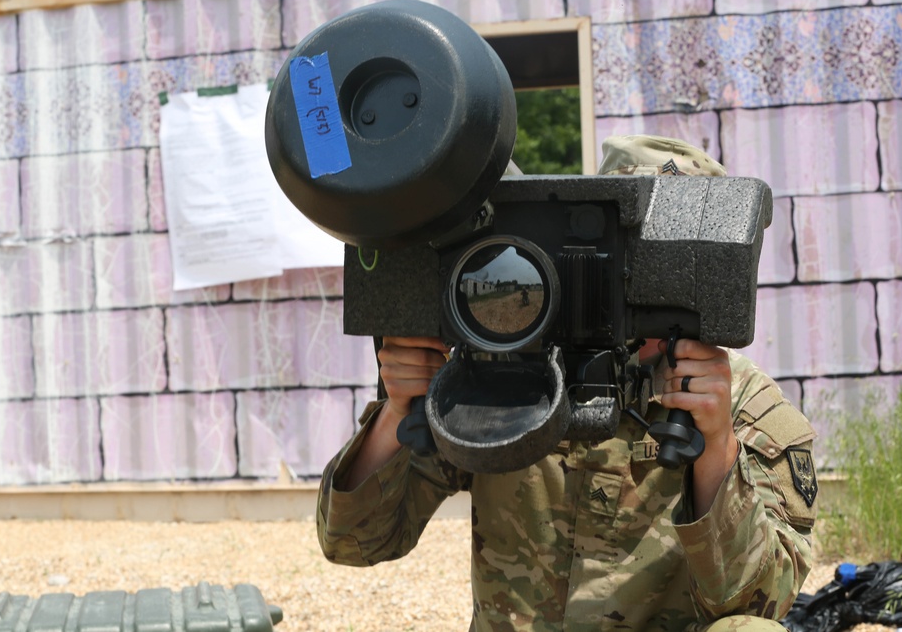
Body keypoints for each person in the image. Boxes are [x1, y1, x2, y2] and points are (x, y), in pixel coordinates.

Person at [316, 135, 818, 632]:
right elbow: (352, 541)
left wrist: (716, 449)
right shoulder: (509, 370)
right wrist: (399, 411)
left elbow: (759, 598)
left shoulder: (745, 405)